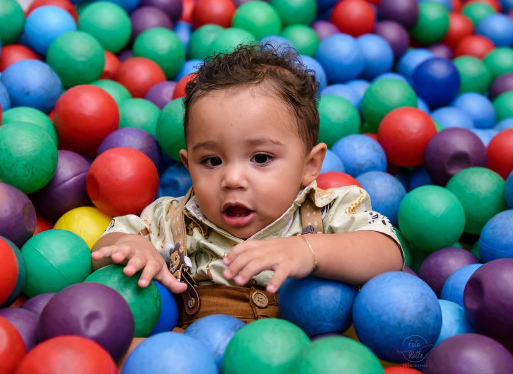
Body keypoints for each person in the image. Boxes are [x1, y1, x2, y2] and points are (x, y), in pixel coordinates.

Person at [91, 43, 404, 329]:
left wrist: (308, 251)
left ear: (309, 166)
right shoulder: (172, 220)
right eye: (212, 161)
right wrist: (133, 249)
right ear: (188, 166)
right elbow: (105, 245)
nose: (232, 179)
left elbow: (388, 252)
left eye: (261, 158)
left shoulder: (326, 211)